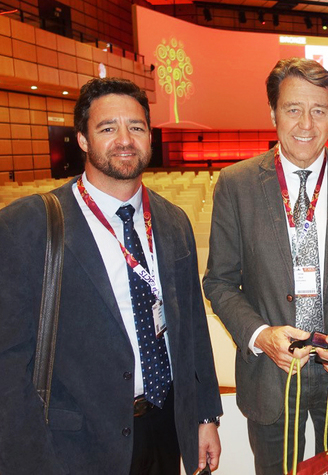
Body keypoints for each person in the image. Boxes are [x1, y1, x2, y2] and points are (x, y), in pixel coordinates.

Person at [0, 78, 223, 474]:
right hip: (76, 443)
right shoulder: (31, 224)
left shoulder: (172, 222)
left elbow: (191, 328)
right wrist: (25, 458)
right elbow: (9, 359)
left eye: (136, 127)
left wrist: (205, 415)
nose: (125, 139)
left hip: (165, 426)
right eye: (108, 128)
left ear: (149, 137)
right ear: (83, 139)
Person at [203, 57, 328, 475]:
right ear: (272, 112)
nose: (306, 124)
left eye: (319, 110)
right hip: (272, 375)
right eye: (293, 109)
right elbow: (219, 282)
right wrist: (260, 335)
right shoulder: (236, 185)